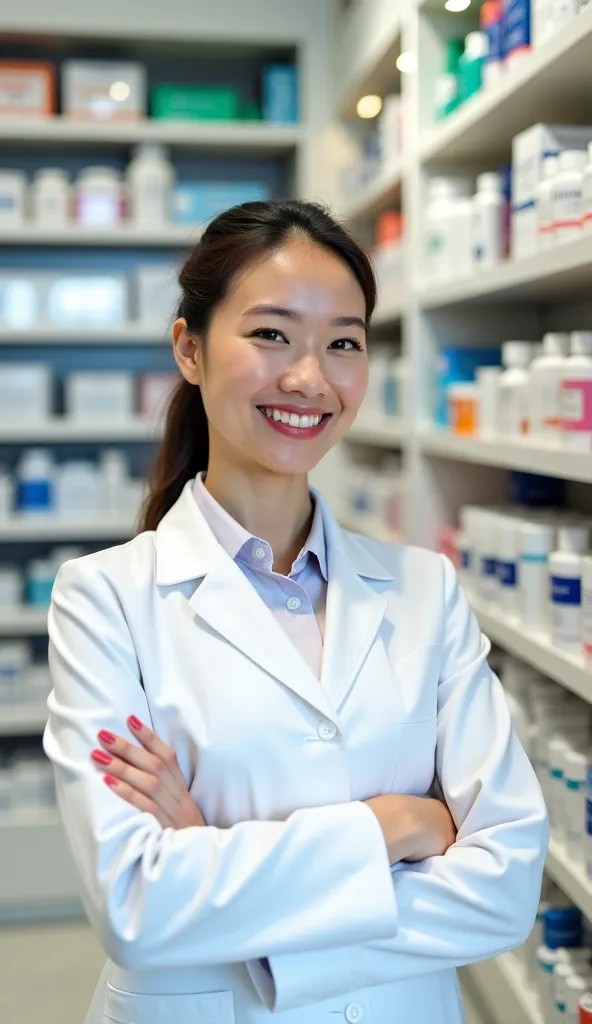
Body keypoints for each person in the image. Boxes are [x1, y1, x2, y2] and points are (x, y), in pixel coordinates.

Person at [43, 199, 548, 1024]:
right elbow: (137, 906)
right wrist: (396, 826)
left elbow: (505, 886)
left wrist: (211, 858)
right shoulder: (105, 599)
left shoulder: (427, 590)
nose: (310, 378)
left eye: (343, 342)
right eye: (271, 334)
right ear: (190, 349)